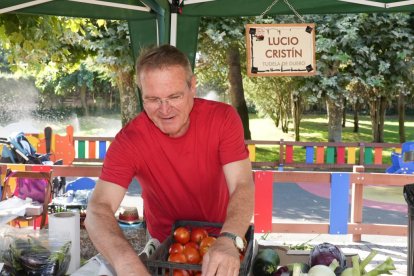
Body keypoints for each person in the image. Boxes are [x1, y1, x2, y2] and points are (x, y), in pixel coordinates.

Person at [85, 44, 254, 276]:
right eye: (153, 99)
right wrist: (127, 263)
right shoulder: (130, 140)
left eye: (174, 96)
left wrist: (229, 238)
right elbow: (97, 209)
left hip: (225, 236)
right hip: (166, 253)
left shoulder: (223, 119)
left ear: (192, 86)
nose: (165, 110)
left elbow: (242, 185)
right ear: (140, 92)